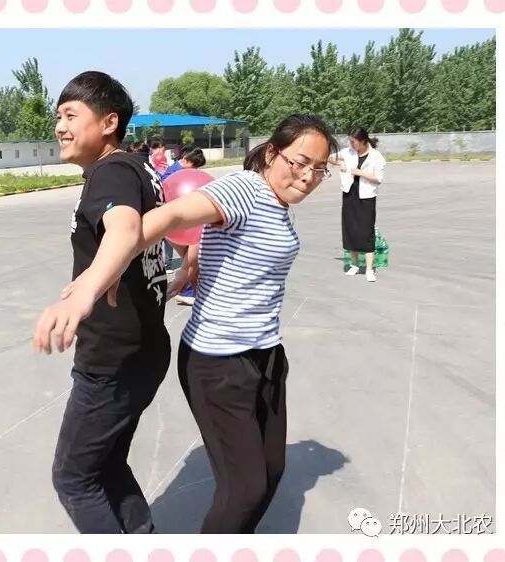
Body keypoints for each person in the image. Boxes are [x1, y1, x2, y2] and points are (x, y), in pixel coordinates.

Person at [62, 114, 339, 533]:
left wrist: (193, 259)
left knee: (271, 471)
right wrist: (103, 271)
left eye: (319, 169)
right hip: (219, 362)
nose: (307, 177)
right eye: (300, 162)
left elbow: (215, 234)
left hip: (265, 355)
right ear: (272, 153)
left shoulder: (277, 204)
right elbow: (168, 217)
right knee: (245, 489)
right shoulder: (245, 189)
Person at [33, 70, 170, 534]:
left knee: (73, 477)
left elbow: (125, 230)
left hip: (113, 360)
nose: (60, 127)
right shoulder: (137, 168)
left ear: (109, 122)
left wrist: (83, 294)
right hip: (142, 351)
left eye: (71, 115)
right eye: (58, 117)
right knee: (106, 465)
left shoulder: (111, 172)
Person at [331, 127, 386, 282]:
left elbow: (378, 179)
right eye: (350, 141)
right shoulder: (348, 152)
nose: (351, 144)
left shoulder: (376, 156)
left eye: (353, 141)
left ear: (363, 141)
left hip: (367, 197)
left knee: (367, 232)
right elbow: (329, 157)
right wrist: (339, 163)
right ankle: (354, 265)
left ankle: (369, 269)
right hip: (349, 194)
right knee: (350, 230)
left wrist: (361, 173)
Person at [160, 145, 207, 305]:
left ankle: (191, 291)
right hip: (179, 224)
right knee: (191, 259)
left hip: (180, 223)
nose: (196, 171)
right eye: (195, 166)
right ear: (186, 160)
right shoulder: (174, 175)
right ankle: (187, 291)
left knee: (191, 259)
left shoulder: (174, 171)